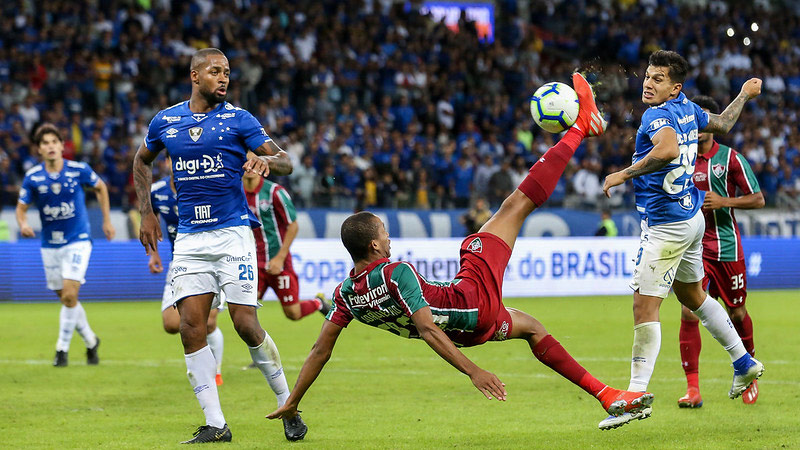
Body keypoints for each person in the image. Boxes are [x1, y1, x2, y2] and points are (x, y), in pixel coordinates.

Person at [267, 74, 655, 435]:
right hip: (469, 302)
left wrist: (293, 401)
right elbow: (428, 329)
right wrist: (474, 372)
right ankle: (579, 127)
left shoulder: (345, 294)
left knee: (533, 328)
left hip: (471, 328)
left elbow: (321, 348)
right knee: (511, 209)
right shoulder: (395, 271)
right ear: (374, 246)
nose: (389, 240)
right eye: (384, 235)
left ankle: (609, 396)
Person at [133, 48, 306, 444]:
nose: (224, 78)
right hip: (190, 239)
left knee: (245, 324)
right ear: (195, 76)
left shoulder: (239, 119)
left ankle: (288, 405)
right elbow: (141, 161)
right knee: (191, 328)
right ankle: (216, 424)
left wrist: (268, 163)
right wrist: (147, 211)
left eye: (227, 72)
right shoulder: (167, 121)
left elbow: (286, 161)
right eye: (215, 72)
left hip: (232, 234)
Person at [601, 50, 764, 430]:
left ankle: (635, 394)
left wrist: (623, 175)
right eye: (647, 75)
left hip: (666, 227)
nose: (647, 82)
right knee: (693, 297)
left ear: (675, 87)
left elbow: (669, 149)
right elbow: (723, 122)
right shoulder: (689, 109)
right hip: (691, 219)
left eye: (658, 79)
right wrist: (743, 94)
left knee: (645, 309)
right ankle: (743, 362)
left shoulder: (656, 116)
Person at [677, 95, 766, 408]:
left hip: (727, 247)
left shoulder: (730, 158)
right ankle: (692, 390)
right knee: (689, 311)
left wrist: (725, 201)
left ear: (711, 122)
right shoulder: (679, 158)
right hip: (693, 247)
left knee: (737, 312)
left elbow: (758, 199)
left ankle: (748, 371)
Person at [16, 123, 114, 367]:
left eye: (54, 142)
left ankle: (61, 349)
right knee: (67, 299)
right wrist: (23, 223)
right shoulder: (33, 177)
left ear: (62, 146)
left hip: (77, 240)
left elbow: (100, 187)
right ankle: (91, 341)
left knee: (70, 295)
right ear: (39, 149)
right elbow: (21, 207)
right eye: (45, 143)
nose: (50, 146)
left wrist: (107, 221)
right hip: (50, 245)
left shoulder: (78, 170)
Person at [148, 155, 226, 386]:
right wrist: (153, 254)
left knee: (208, 322)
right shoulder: (157, 191)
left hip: (211, 261)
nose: (175, 164)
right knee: (171, 324)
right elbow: (150, 221)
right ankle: (203, 361)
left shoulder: (202, 185)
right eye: (171, 159)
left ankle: (215, 372)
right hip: (179, 262)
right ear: (165, 163)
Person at [243, 172, 331, 321]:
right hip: (253, 263)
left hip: (279, 262)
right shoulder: (235, 192)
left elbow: (293, 225)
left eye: (254, 161)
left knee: (293, 313)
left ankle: (318, 303)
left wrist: (280, 258)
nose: (250, 166)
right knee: (245, 310)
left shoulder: (275, 192)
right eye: (246, 162)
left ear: (261, 164)